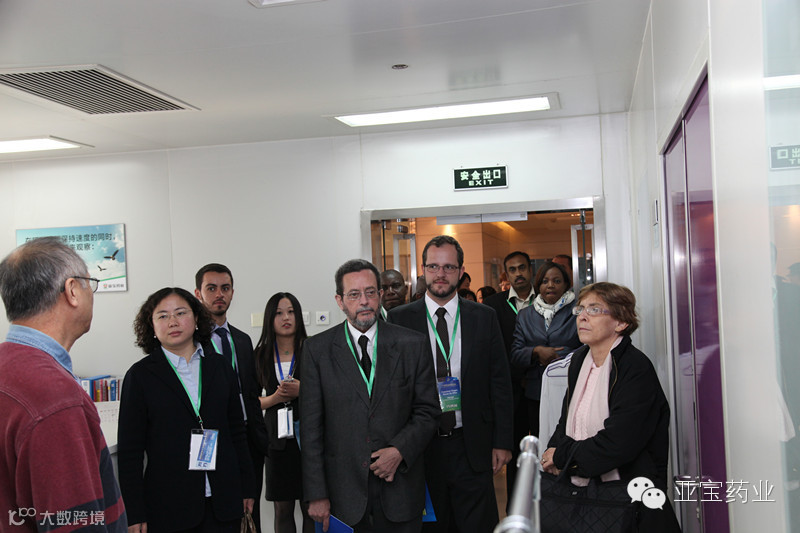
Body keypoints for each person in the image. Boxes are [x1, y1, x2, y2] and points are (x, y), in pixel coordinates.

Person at [301, 259, 440, 532]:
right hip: (343, 494)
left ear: (380, 294)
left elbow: (428, 411)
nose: (364, 301)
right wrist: (316, 493)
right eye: (354, 294)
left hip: (400, 487)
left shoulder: (412, 344)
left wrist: (399, 450)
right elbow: (311, 429)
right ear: (340, 301)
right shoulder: (317, 351)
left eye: (370, 292)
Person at [0, 237, 127, 531]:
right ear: (72, 291)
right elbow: (74, 522)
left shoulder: (9, 368)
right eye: (89, 283)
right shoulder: (54, 397)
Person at [389, 236, 513, 533]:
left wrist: (502, 441)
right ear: (423, 270)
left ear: (461, 271)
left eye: (449, 267)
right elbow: (391, 388)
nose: (440, 274)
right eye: (433, 266)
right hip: (421, 447)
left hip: (472, 444)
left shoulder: (484, 317)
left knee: (477, 525)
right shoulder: (399, 319)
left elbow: (499, 382)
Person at [542, 282, 681, 531]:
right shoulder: (580, 361)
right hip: (581, 493)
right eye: (580, 309)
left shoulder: (635, 368)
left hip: (629, 498)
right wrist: (552, 450)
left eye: (594, 309)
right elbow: (567, 420)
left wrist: (562, 456)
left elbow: (619, 443)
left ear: (621, 323)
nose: (582, 316)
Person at [118, 287, 256, 532]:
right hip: (169, 506)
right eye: (162, 316)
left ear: (196, 318)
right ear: (151, 326)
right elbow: (130, 451)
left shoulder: (220, 367)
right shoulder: (140, 376)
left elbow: (237, 432)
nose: (172, 321)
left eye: (181, 313)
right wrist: (134, 511)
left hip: (224, 501)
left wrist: (247, 487)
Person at [195, 263, 269, 532]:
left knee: (251, 510)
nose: (219, 294)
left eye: (225, 288)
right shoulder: (192, 343)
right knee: (218, 512)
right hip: (211, 438)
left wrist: (259, 434)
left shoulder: (242, 340)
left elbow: (251, 392)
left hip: (248, 437)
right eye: (211, 288)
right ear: (198, 294)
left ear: (232, 293)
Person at [253, 292, 314, 533]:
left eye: (290, 312)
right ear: (270, 318)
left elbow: (332, 393)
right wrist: (275, 398)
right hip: (276, 443)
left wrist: (303, 391)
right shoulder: (260, 354)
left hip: (310, 440)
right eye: (278, 313)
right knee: (282, 509)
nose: (286, 318)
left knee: (312, 508)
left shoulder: (313, 349)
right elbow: (249, 403)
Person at [482, 251, 536, 509]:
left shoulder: (546, 299)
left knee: (544, 448)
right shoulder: (493, 304)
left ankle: (544, 508)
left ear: (530, 269)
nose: (518, 274)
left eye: (522, 268)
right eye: (512, 270)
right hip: (510, 391)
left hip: (540, 388)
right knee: (513, 451)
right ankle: (515, 508)